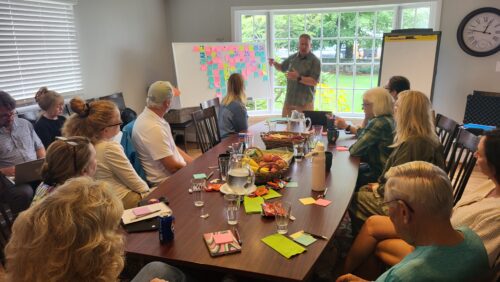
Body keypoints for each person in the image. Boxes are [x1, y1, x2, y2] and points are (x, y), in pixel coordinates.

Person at [343, 129, 500, 281]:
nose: (474, 155)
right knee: (373, 225)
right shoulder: (488, 188)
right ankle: (347, 269)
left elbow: (469, 262)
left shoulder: (402, 276)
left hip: (442, 244)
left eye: (480, 154)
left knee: (377, 243)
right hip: (447, 234)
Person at [5, 176, 187, 282]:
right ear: (90, 247)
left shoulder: (37, 265)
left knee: (159, 268)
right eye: (110, 228)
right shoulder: (84, 266)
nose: (116, 234)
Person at [349, 90, 445, 233]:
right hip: (421, 200)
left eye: (397, 107)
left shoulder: (413, 143)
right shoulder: (426, 137)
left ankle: (371, 234)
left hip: (410, 207)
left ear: (405, 113)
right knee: (363, 189)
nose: (394, 110)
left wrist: (379, 188)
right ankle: (371, 234)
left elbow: (398, 183)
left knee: (354, 198)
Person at [63, 97, 150, 209]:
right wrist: (151, 196)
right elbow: (138, 185)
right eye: (119, 122)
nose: (121, 124)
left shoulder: (83, 145)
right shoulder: (109, 148)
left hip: (102, 203)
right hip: (122, 201)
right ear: (105, 129)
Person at [133, 81, 193, 185]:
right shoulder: (152, 127)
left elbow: (172, 147)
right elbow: (173, 167)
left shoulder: (153, 117)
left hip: (175, 175)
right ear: (167, 103)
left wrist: (194, 163)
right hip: (167, 182)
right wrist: (193, 170)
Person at [336, 87, 395, 188]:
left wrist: (367, 118)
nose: (363, 108)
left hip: (379, 174)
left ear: (376, 105)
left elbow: (355, 150)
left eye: (365, 104)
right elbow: (364, 133)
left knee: (343, 176)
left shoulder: (378, 123)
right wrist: (367, 117)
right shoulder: (389, 119)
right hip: (386, 170)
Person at [0, 91, 45, 215]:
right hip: (9, 178)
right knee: (25, 193)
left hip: (34, 171)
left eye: (12, 113)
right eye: (4, 115)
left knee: (57, 180)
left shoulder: (24, 124)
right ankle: (23, 227)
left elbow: (39, 147)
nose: (10, 118)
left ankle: (48, 221)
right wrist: (3, 170)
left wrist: (41, 161)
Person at [31, 136, 97, 205]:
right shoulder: (78, 201)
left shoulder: (46, 185)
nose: (97, 161)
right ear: (84, 171)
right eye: (95, 157)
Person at [269, 34, 321, 117]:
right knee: (285, 128)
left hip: (305, 105)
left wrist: (298, 77)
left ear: (310, 46)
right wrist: (274, 63)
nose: (303, 46)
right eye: (302, 44)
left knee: (304, 129)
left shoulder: (315, 61)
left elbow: (314, 82)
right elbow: (282, 68)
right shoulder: (292, 58)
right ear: (298, 45)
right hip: (289, 103)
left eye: (306, 44)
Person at [218, 73, 248, 138]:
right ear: (242, 86)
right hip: (232, 143)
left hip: (222, 140)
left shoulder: (224, 101)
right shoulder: (238, 107)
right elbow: (243, 131)